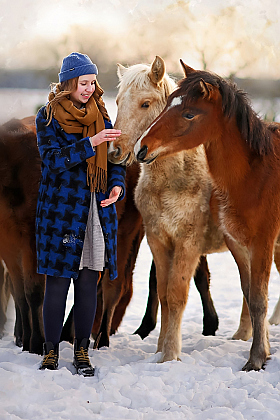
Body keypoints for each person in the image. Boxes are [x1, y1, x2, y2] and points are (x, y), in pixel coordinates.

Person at [35, 52, 126, 376]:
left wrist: (116, 187)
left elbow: (115, 160)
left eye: (92, 82)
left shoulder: (102, 115)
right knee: (57, 283)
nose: (89, 88)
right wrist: (91, 143)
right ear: (68, 83)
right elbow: (53, 162)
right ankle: (50, 352)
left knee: (89, 284)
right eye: (83, 82)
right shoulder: (47, 118)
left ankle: (82, 351)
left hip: (95, 215)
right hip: (60, 213)